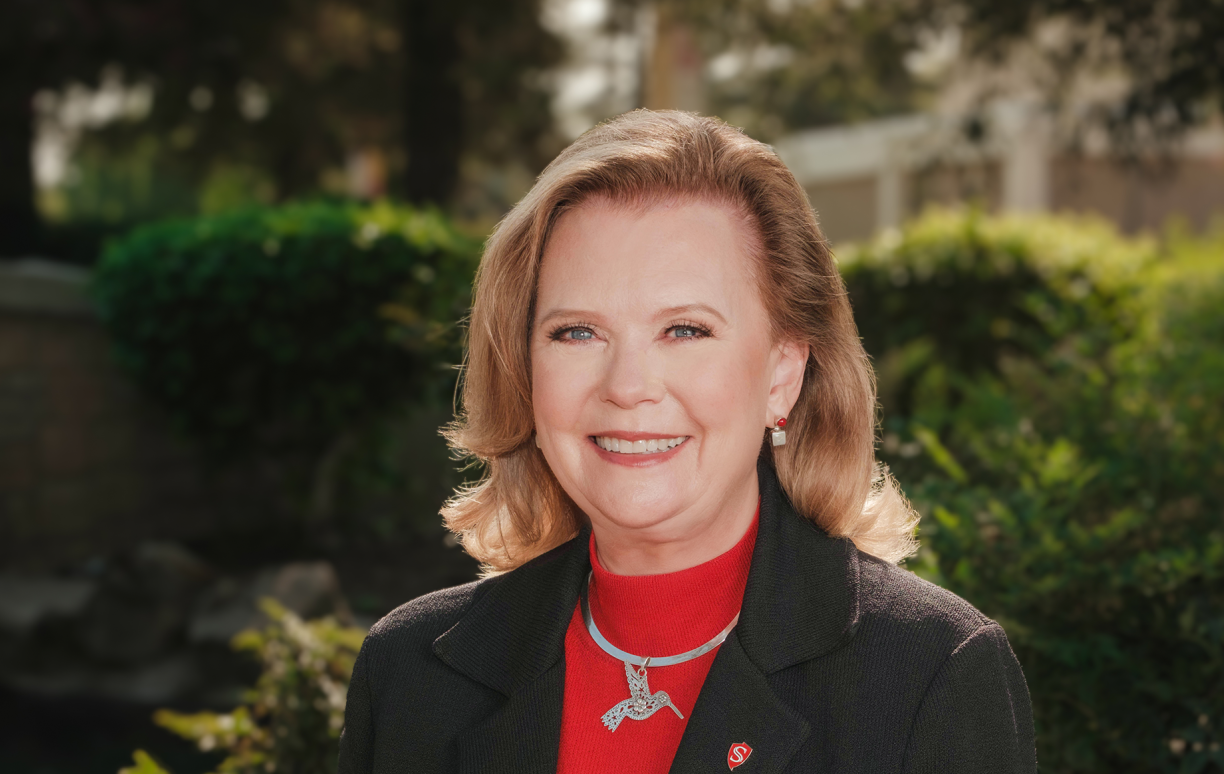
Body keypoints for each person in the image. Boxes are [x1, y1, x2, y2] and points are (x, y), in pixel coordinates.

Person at [338, 110, 1036, 774]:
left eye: (685, 330)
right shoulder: (407, 676)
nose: (627, 386)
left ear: (782, 374)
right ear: (524, 369)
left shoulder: (930, 676)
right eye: (577, 332)